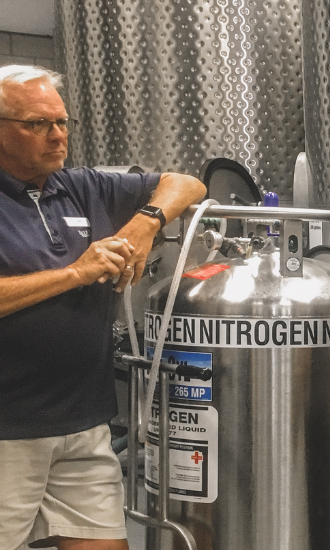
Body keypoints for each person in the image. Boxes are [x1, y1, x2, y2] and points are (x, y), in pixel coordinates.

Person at [0, 65, 206, 550]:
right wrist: (76, 272)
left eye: (63, 122)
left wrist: (146, 222)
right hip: (7, 431)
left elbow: (188, 183)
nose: (57, 136)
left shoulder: (82, 186)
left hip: (85, 424)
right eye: (37, 124)